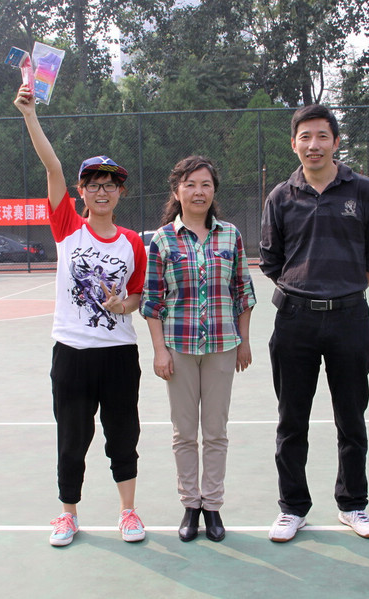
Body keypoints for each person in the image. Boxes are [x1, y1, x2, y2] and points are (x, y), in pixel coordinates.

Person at [14, 83, 147, 547]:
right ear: (81, 193)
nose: (102, 191)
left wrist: (122, 305)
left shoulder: (133, 243)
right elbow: (51, 166)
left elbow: (137, 296)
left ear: (120, 192)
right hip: (72, 352)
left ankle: (128, 512)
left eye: (110, 184)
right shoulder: (67, 227)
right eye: (93, 184)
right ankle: (67, 514)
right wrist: (30, 115)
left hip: (118, 353)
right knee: (72, 437)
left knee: (122, 435)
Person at [260, 104, 369, 542]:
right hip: (294, 320)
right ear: (293, 144)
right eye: (305, 137)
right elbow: (272, 260)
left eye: (321, 136)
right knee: (291, 420)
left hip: (350, 318)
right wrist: (307, 291)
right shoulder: (281, 197)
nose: (313, 145)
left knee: (351, 418)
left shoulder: (364, 191)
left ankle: (353, 504)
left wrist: (343, 290)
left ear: (336, 141)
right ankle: (292, 508)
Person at [141, 156, 256, 543]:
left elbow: (243, 292)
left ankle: (213, 507)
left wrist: (244, 341)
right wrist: (160, 351)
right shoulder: (163, 240)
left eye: (205, 184)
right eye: (190, 184)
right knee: (185, 432)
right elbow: (152, 302)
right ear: (177, 191)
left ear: (214, 191)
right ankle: (191, 505)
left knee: (216, 432)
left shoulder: (230, 236)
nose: (198, 191)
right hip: (179, 348)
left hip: (223, 346)